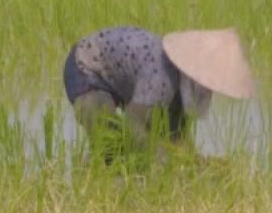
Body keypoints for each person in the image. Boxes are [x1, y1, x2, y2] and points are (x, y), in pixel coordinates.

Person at [61, 27, 254, 150]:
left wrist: (189, 160)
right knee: (109, 141)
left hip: (124, 76)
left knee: (158, 137)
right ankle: (94, 183)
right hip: (87, 66)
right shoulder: (161, 77)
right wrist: (158, 152)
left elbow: (177, 136)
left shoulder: (183, 90)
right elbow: (132, 124)